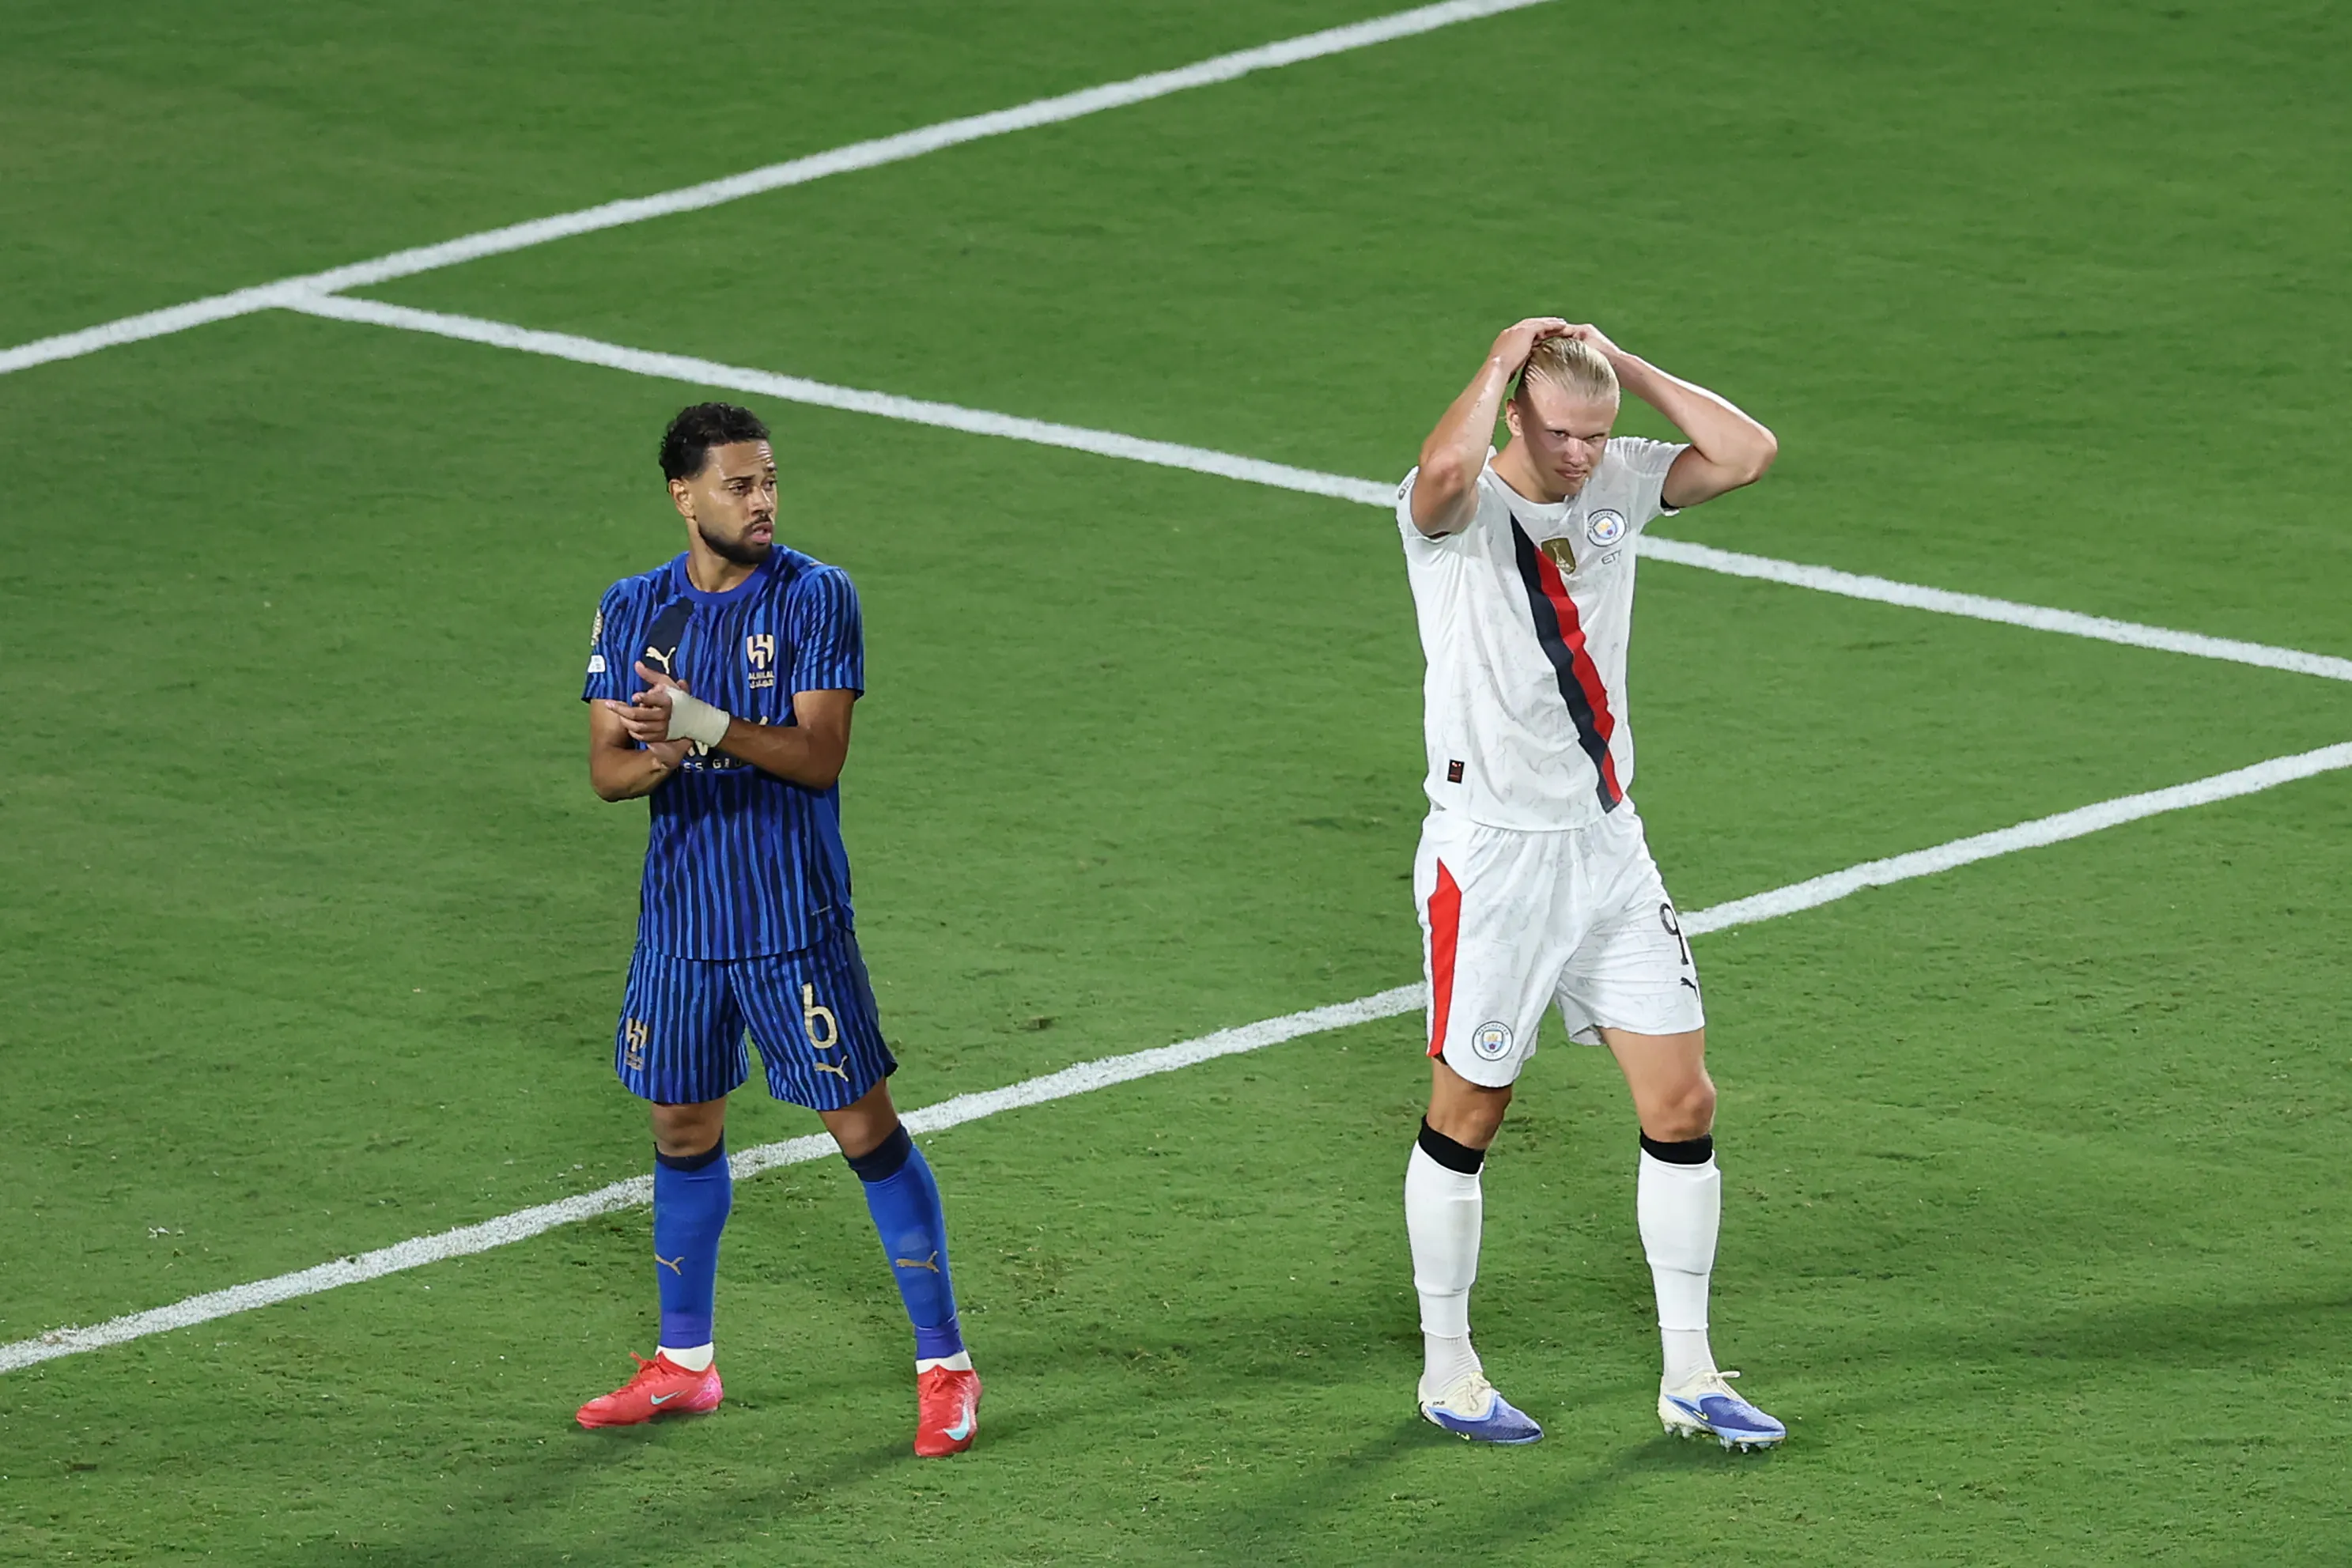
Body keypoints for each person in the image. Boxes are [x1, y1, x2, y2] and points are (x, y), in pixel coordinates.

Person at [1394, 320, 1783, 1449]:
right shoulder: (1453, 514)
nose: (1579, 455)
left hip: (1608, 847)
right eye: (1560, 433)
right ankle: (1449, 1369)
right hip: (1492, 858)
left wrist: (1627, 368)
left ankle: (1690, 1373)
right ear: (1515, 411)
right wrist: (1497, 359)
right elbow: (1442, 469)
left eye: (1595, 435)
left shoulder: (1615, 478)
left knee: (1684, 1103)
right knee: (1470, 1113)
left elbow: (1747, 452)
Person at [573, 401, 979, 1457]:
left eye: (769, 482)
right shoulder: (631, 607)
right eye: (739, 485)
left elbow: (817, 755)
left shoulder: (814, 593)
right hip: (680, 925)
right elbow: (608, 771)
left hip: (791, 920)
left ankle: (945, 1366)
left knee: (862, 1129)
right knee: (681, 1130)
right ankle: (685, 1363)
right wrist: (669, 750)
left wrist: (701, 723)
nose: (763, 502)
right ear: (684, 495)